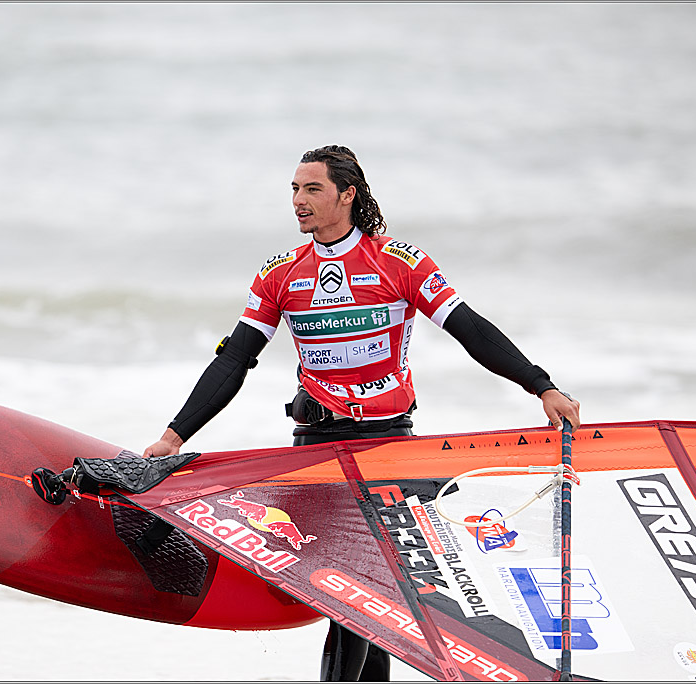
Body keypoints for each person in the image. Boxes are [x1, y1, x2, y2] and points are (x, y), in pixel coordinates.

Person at [143, 145, 581, 681]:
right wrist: (175, 434)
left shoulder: (399, 262)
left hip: (387, 446)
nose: (299, 202)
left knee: (375, 596)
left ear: (347, 195)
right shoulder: (280, 273)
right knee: (347, 593)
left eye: (312, 190)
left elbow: (470, 328)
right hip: (317, 448)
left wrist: (539, 385)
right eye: (295, 191)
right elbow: (235, 358)